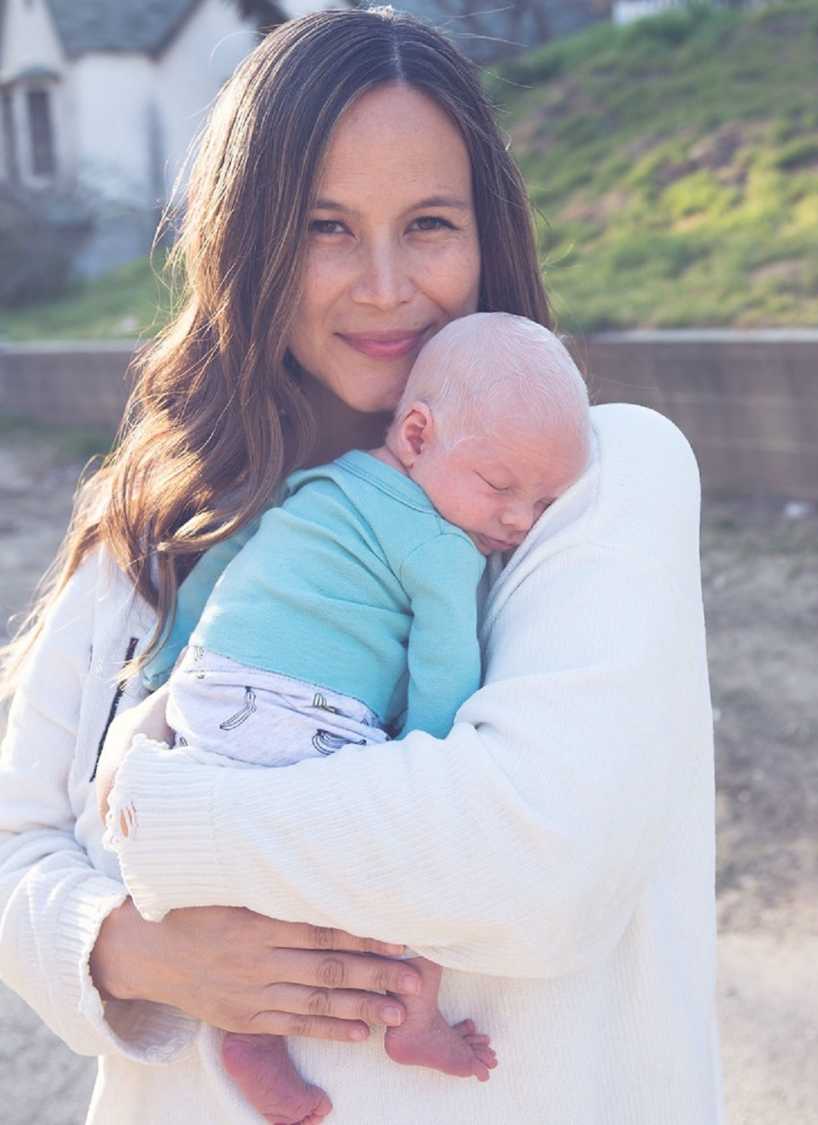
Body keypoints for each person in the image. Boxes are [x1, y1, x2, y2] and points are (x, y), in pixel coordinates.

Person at [0, 9, 722, 1124]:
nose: (383, 285)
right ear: (245, 243)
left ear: (489, 236)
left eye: (428, 223)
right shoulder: (147, 524)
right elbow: (16, 846)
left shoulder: (594, 481)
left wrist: (165, 815)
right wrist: (134, 952)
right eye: (325, 227)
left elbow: (536, 863)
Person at [115, 312, 590, 1124]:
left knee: (253, 874)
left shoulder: (323, 482)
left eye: (543, 502)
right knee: (417, 859)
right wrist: (418, 770)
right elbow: (446, 669)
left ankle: (248, 1033)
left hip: (209, 695)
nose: (517, 521)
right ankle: (413, 1017)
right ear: (416, 433)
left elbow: (223, 567)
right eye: (501, 486)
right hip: (301, 717)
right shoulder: (444, 547)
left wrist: (167, 671)